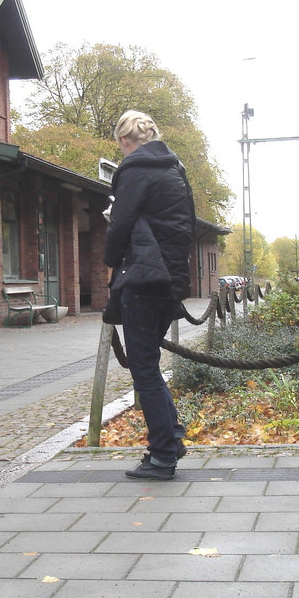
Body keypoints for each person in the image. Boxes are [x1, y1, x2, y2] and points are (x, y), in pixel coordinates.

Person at [104, 110, 196, 480]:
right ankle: (170, 437)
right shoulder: (176, 170)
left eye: (120, 146)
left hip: (143, 279)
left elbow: (120, 224)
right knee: (148, 364)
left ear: (126, 141)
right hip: (169, 278)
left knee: (143, 367)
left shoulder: (134, 169)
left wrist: (110, 259)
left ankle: (162, 456)